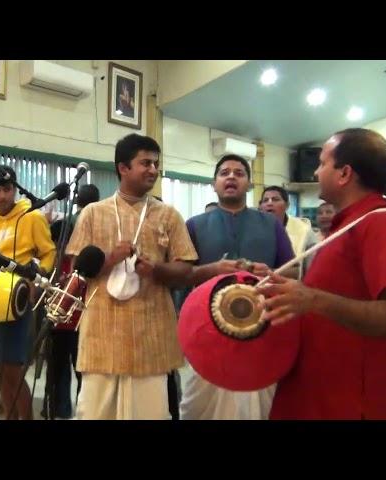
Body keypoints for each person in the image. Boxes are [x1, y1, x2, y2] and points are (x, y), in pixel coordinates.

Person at [258, 128, 386, 419]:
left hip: (348, 401)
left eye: (321, 163)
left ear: (344, 174)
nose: (316, 171)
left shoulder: (380, 222)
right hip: (318, 390)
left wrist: (313, 299)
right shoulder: (348, 223)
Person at [66, 133, 197, 420]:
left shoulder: (168, 215)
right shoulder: (92, 214)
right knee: (95, 414)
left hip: (151, 334)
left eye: (156, 164)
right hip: (102, 335)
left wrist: (157, 270)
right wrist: (111, 259)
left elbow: (186, 271)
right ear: (123, 168)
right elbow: (78, 268)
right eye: (145, 163)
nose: (153, 169)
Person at [179, 154, 295, 420]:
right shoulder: (194, 225)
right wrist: (210, 271)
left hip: (262, 328)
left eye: (239, 173)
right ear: (214, 183)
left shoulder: (271, 225)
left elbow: (293, 269)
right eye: (225, 173)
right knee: (199, 406)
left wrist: (271, 273)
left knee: (261, 403)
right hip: (208, 329)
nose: (231, 177)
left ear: (249, 184)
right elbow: (184, 275)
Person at [0, 165, 56, 420]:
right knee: (0, 369)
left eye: (7, 189)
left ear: (15, 189)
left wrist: (38, 276)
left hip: (18, 303)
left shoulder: (31, 217)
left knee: (13, 370)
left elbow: (49, 252)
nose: (2, 196)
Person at [41, 183, 100, 419]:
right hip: (63, 323)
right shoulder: (59, 264)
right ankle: (66, 411)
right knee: (66, 372)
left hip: (75, 323)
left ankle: (72, 412)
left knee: (74, 372)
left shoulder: (77, 264)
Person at [259, 185, 318, 278]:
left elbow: (312, 267)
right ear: (260, 206)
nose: (269, 203)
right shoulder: (254, 228)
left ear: (287, 205)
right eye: (265, 200)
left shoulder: (304, 230)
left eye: (275, 199)